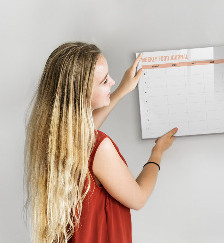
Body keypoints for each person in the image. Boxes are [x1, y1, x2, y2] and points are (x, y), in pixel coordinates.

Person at [24, 42, 177, 243]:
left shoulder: (53, 136)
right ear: (81, 94)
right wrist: (157, 152)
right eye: (105, 81)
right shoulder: (100, 147)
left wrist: (122, 90)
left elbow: (86, 134)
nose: (112, 81)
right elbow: (138, 198)